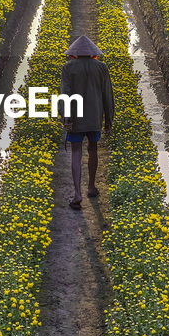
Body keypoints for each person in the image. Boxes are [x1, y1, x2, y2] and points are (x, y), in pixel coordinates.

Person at [60, 35, 114, 210]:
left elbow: (65, 94)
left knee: (76, 152)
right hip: (94, 117)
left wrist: (66, 117)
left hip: (75, 119)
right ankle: (91, 187)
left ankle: (77, 194)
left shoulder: (68, 68)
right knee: (93, 149)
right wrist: (108, 120)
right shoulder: (101, 67)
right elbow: (107, 95)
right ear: (93, 54)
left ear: (74, 54)